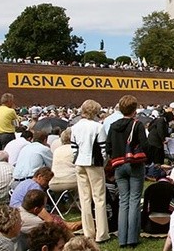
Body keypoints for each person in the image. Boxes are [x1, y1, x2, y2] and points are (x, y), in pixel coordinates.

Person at [106, 95, 149, 248]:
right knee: (134, 200)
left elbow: (108, 146)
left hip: (118, 164)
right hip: (134, 164)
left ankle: (122, 238)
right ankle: (133, 237)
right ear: (134, 109)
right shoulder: (137, 125)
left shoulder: (112, 125)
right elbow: (145, 144)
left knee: (123, 201)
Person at [70, 99, 109, 244]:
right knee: (99, 198)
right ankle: (101, 233)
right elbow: (103, 149)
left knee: (84, 198)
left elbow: (73, 148)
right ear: (95, 112)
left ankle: (88, 232)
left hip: (79, 163)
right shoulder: (98, 127)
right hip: (94, 163)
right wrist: (103, 163)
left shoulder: (75, 127)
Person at [141, 169, 174, 235]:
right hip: (169, 226)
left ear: (157, 179)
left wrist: (143, 224)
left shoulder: (149, 188)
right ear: (169, 178)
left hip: (151, 226)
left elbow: (145, 208)